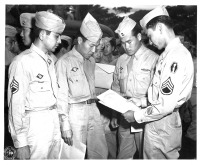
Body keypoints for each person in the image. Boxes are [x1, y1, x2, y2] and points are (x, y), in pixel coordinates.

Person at [123, 6, 194, 159]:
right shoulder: (167, 54)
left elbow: (164, 105)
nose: (150, 41)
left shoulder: (175, 57)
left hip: (163, 122)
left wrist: (136, 116)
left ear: (160, 28)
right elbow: (160, 95)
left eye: (150, 35)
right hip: (158, 119)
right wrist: (141, 101)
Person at [7, 11, 66, 159]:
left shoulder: (50, 61)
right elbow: (15, 105)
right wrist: (21, 143)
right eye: (56, 36)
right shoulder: (22, 61)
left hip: (53, 122)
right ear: (42, 35)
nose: (59, 41)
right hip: (35, 125)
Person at [55, 12, 108, 159]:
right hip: (75, 112)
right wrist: (65, 125)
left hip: (93, 109)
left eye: (96, 47)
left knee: (100, 152)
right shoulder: (64, 62)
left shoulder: (91, 61)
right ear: (79, 40)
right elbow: (61, 96)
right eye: (91, 46)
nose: (93, 51)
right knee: (73, 155)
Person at [111, 16, 159, 159]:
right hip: (124, 116)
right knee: (123, 156)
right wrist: (114, 114)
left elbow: (158, 96)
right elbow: (116, 88)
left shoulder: (154, 59)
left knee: (147, 156)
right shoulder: (121, 60)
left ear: (139, 36)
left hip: (145, 117)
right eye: (123, 43)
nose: (126, 47)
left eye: (129, 42)